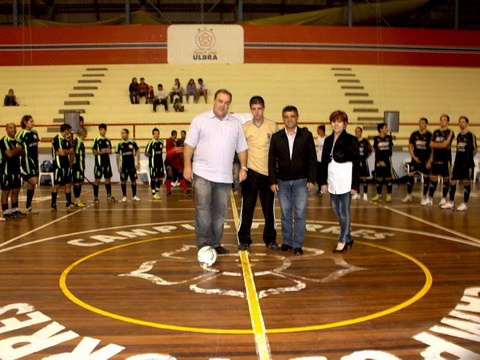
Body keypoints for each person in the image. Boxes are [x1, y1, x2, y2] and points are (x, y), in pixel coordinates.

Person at [183, 89, 248, 255]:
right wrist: (187, 166)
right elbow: (189, 145)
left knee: (219, 213)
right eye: (220, 101)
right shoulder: (200, 120)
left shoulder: (235, 124)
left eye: (226, 103)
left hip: (224, 178)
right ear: (214, 101)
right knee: (203, 209)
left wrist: (243, 167)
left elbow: (242, 148)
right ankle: (203, 243)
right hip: (202, 173)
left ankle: (215, 242)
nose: (223, 105)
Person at [268, 105, 316, 256]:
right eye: (286, 117)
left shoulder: (306, 136)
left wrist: (311, 178)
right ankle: (287, 241)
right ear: (283, 119)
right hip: (282, 181)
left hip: (301, 181)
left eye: (292, 116)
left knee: (300, 213)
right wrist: (272, 180)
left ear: (297, 117)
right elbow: (271, 160)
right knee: (285, 213)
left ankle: (298, 244)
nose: (289, 119)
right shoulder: (276, 137)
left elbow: (312, 159)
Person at [238, 96, 279, 251]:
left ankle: (270, 239)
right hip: (250, 173)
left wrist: (275, 174)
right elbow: (241, 150)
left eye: (259, 108)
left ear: (264, 108)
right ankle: (244, 239)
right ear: (251, 109)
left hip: (268, 174)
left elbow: (276, 151)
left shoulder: (272, 126)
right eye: (254, 109)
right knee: (247, 208)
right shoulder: (245, 128)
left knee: (269, 210)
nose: (257, 112)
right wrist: (243, 168)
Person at [320, 110, 359, 253]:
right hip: (332, 179)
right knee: (336, 209)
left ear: (345, 124)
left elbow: (356, 163)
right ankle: (348, 236)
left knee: (344, 210)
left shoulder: (351, 140)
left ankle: (342, 240)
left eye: (339, 121)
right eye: (334, 121)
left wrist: (354, 184)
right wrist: (323, 182)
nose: (336, 124)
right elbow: (324, 161)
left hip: (345, 178)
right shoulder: (327, 140)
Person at [441, 116, 477, 211]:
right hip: (457, 163)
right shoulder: (459, 136)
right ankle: (451, 202)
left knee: (466, 182)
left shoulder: (471, 135)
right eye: (460, 122)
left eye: (463, 122)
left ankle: (465, 204)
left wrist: (468, 159)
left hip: (467, 164)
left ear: (467, 124)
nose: (461, 123)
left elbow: (475, 149)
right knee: (452, 181)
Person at [424, 114, 455, 207]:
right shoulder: (436, 132)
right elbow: (431, 145)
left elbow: (445, 145)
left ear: (448, 122)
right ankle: (430, 198)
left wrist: (437, 144)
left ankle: (444, 198)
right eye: (441, 120)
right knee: (433, 178)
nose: (442, 121)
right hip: (436, 158)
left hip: (446, 159)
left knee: (446, 179)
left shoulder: (450, 132)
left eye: (444, 120)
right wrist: (430, 159)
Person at [403, 118, 432, 204]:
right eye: (420, 123)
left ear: (426, 124)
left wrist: (430, 160)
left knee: (426, 177)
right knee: (410, 175)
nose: (421, 124)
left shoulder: (430, 135)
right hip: (415, 159)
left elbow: (432, 149)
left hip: (425, 160)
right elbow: (410, 146)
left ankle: (424, 196)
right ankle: (409, 195)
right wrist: (414, 156)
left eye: (423, 123)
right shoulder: (414, 134)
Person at [1, 123, 26, 219]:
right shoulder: (4, 141)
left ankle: (15, 209)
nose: (13, 130)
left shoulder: (18, 141)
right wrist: (18, 150)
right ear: (6, 130)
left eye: (14, 128)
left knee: (16, 189)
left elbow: (23, 154)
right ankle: (6, 211)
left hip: (16, 168)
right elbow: (9, 154)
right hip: (6, 169)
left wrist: (19, 150)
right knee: (6, 190)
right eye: (11, 128)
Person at [16, 115, 40, 213]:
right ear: (25, 122)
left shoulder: (34, 133)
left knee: (33, 183)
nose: (33, 123)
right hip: (27, 160)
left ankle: (28, 206)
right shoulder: (21, 134)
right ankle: (22, 174)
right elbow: (17, 146)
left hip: (35, 160)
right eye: (31, 121)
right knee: (33, 181)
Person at [50, 123, 74, 212]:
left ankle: (68, 202)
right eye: (69, 130)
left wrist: (65, 152)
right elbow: (63, 153)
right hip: (58, 165)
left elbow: (71, 152)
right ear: (66, 130)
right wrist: (66, 152)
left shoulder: (66, 140)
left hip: (66, 165)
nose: (70, 132)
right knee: (57, 185)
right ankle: (53, 204)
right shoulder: (57, 139)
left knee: (68, 184)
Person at [92, 123, 115, 204]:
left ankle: (109, 196)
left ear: (106, 130)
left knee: (108, 179)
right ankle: (95, 197)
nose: (103, 131)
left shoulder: (108, 140)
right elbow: (94, 152)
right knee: (97, 179)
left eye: (104, 130)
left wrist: (109, 151)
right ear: (99, 130)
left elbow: (110, 150)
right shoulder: (96, 139)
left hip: (106, 162)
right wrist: (101, 152)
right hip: (99, 163)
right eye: (101, 130)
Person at [116, 129, 141, 203]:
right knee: (123, 181)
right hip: (123, 166)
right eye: (121, 133)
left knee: (134, 181)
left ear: (127, 134)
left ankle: (134, 196)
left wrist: (138, 163)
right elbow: (117, 156)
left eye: (123, 133)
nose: (122, 134)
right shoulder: (119, 144)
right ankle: (124, 196)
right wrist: (118, 166)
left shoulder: (132, 143)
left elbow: (138, 152)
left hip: (132, 166)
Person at [371, 123, 394, 202]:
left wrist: (389, 153)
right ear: (381, 129)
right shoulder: (376, 138)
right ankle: (379, 195)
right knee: (379, 178)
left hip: (387, 160)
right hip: (378, 161)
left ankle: (389, 195)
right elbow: (376, 148)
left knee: (388, 178)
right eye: (385, 127)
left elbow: (390, 148)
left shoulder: (389, 138)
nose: (387, 129)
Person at [165, 130, 190, 196]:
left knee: (180, 175)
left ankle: (185, 190)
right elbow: (169, 153)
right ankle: (168, 191)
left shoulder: (176, 142)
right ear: (175, 134)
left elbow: (179, 152)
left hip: (176, 163)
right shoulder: (169, 142)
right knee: (169, 177)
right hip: (170, 162)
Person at [352, 126, 372, 201]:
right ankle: (357, 194)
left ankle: (365, 194)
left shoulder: (365, 141)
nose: (357, 132)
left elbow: (370, 150)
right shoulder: (353, 141)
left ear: (361, 132)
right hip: (355, 162)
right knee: (356, 178)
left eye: (358, 131)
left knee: (364, 178)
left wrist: (365, 157)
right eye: (356, 131)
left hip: (363, 162)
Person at [145, 128, 165, 200]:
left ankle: (157, 190)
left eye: (158, 134)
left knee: (160, 178)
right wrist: (151, 156)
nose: (157, 135)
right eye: (155, 134)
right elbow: (146, 152)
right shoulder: (151, 143)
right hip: (153, 164)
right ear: (153, 134)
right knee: (153, 177)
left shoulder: (161, 142)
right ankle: (153, 192)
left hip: (160, 163)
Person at [72, 126, 87, 207]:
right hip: (77, 165)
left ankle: (78, 198)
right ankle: (76, 199)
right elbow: (73, 153)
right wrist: (72, 164)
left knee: (80, 181)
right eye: (85, 133)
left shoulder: (81, 142)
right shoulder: (76, 142)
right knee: (77, 182)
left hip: (81, 165)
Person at [315, 124, 327, 195]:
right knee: (318, 175)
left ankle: (324, 188)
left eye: (319, 130)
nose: (318, 131)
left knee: (323, 175)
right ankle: (319, 189)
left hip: (324, 159)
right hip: (318, 158)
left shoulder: (327, 138)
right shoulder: (319, 138)